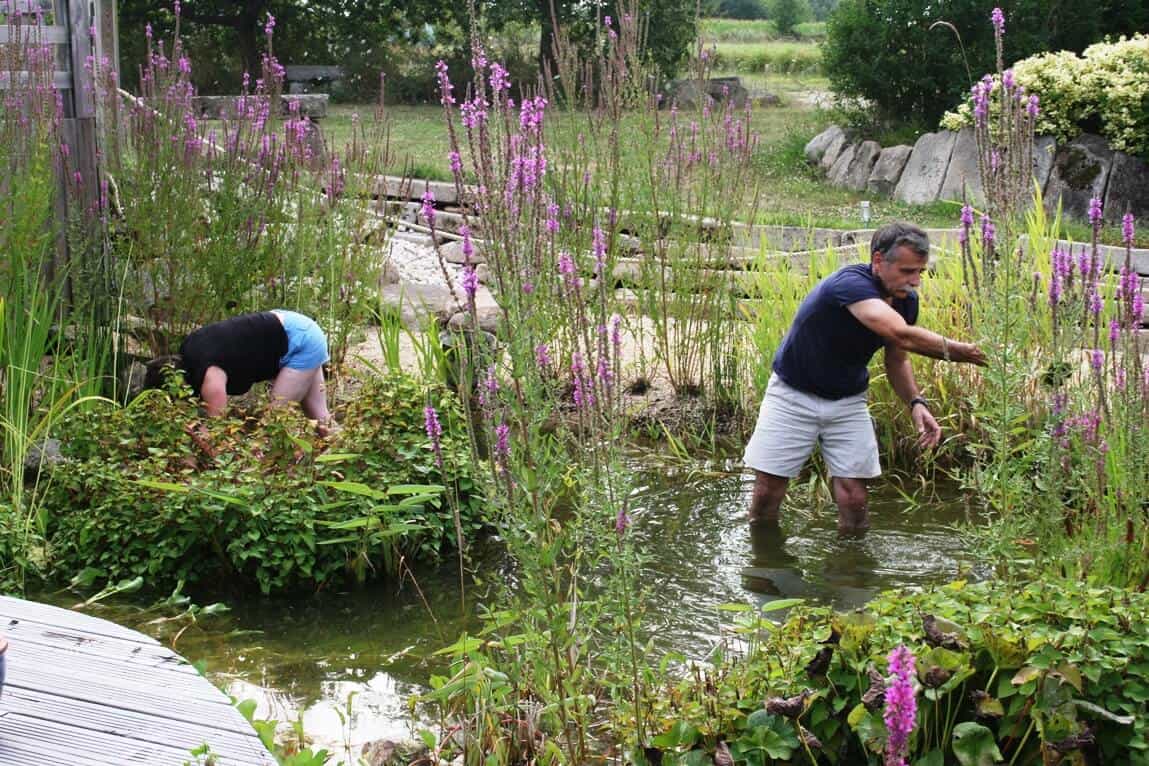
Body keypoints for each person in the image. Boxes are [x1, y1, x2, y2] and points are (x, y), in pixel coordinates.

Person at [743, 222, 986, 531]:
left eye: (920, 273)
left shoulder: (906, 301)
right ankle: (764, 568)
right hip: (792, 395)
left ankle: (851, 574)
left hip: (847, 402)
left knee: (855, 501)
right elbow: (901, 333)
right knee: (767, 494)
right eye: (907, 271)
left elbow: (897, 356)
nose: (915, 283)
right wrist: (964, 353)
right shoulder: (849, 284)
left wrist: (915, 402)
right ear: (877, 261)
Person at [145, 310, 336, 435]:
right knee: (320, 418)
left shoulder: (210, 378)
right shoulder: (189, 350)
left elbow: (217, 429)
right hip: (293, 323)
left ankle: (277, 480)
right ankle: (351, 455)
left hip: (299, 340)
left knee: (273, 423)